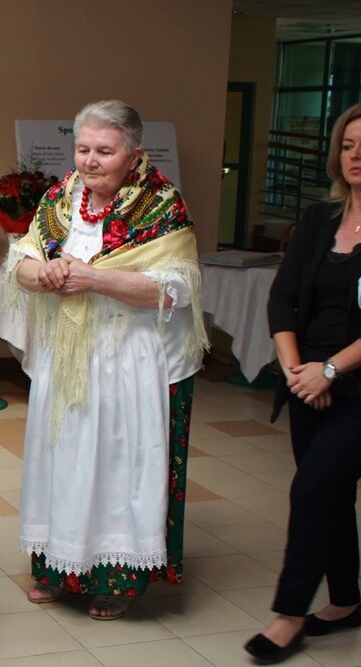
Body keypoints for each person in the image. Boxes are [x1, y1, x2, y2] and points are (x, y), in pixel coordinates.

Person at [6, 100, 208, 620]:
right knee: (63, 458)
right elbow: (22, 259)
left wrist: (94, 279)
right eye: (82, 149)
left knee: (119, 462)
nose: (90, 161)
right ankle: (58, 567)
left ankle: (118, 579)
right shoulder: (60, 198)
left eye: (104, 151)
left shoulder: (162, 205)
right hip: (67, 355)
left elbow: (177, 289)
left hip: (129, 357)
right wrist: (43, 274)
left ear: (134, 154)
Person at [244, 103, 361, 663]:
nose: (356, 156)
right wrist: (298, 372)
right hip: (306, 384)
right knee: (330, 495)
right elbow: (282, 298)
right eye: (348, 145)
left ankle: (289, 615)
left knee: (312, 490)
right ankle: (347, 599)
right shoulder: (318, 220)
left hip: (353, 387)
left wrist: (330, 369)